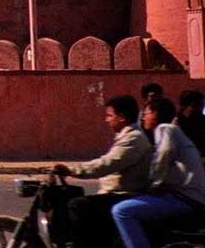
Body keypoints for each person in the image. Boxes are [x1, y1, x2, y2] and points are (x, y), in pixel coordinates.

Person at [53, 95, 152, 248]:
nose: (106, 120)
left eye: (109, 116)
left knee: (77, 205)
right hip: (115, 193)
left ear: (121, 117)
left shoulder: (134, 138)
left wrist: (72, 170)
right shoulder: (126, 136)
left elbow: (106, 164)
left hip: (125, 194)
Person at [111, 97, 205, 248]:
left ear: (155, 114)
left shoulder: (165, 128)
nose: (143, 117)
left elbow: (163, 153)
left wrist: (154, 183)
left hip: (185, 197)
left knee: (122, 211)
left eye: (146, 113)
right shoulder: (173, 131)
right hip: (187, 195)